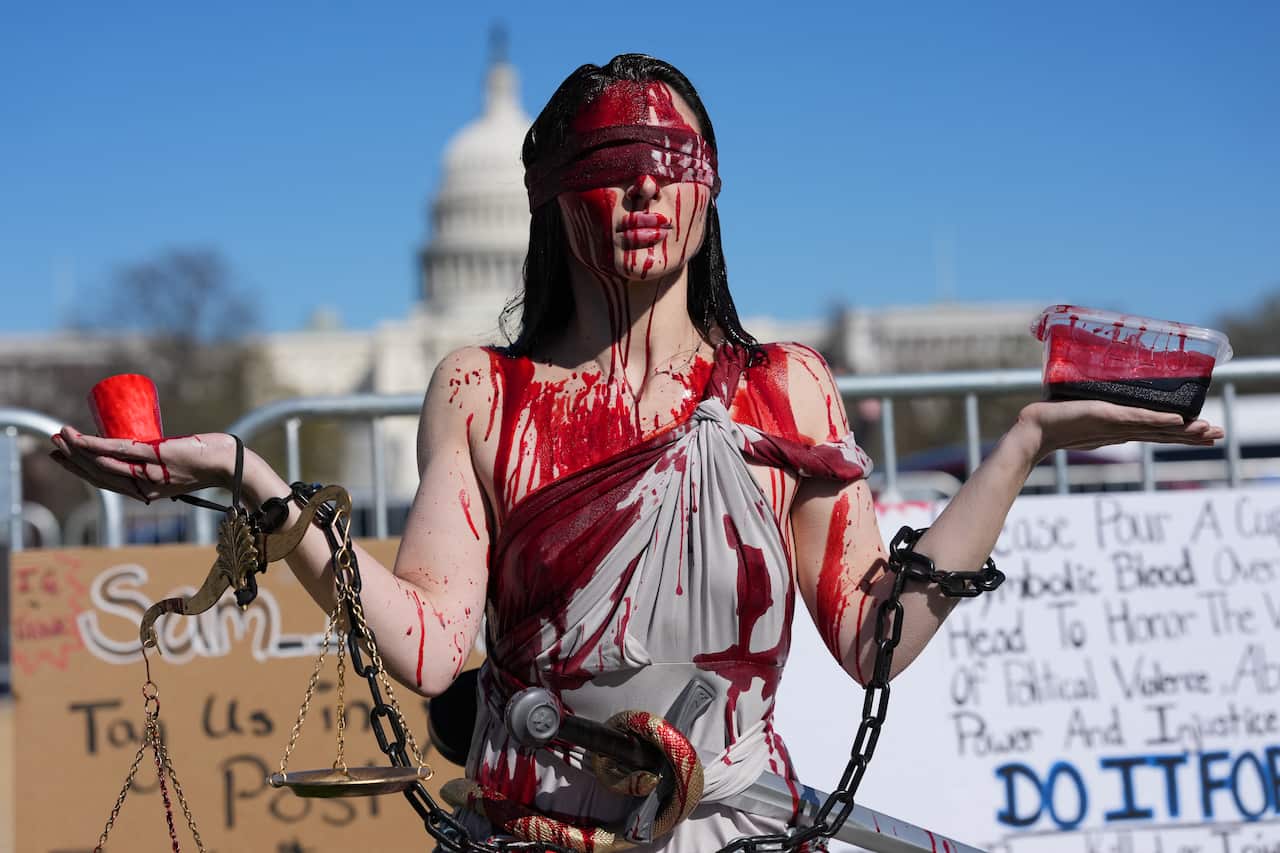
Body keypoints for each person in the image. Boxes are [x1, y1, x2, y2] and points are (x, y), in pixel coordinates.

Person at [50, 54, 1223, 852]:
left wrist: (1021, 443)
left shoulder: (784, 388)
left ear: (713, 190)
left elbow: (871, 640)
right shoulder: (481, 390)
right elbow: (431, 645)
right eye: (609, 170)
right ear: (553, 203)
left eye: (673, 163)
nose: (644, 193)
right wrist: (253, 486)